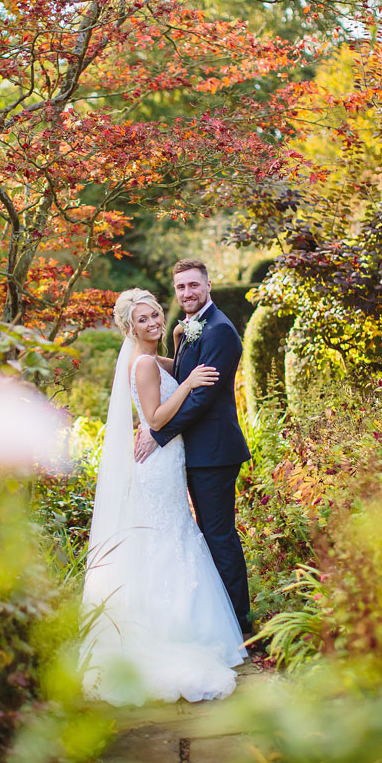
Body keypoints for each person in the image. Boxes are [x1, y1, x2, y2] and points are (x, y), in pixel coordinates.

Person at [79, 288, 246, 706]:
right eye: (143, 320)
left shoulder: (151, 358)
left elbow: (170, 370)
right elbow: (154, 417)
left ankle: (178, 623)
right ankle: (171, 631)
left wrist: (178, 347)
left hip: (168, 460)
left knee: (173, 534)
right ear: (129, 327)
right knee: (168, 536)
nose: (153, 322)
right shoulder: (142, 365)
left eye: (155, 314)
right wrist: (189, 382)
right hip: (159, 461)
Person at [134, 259, 255, 635]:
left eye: (193, 286)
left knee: (220, 537)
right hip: (198, 453)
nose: (187, 292)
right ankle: (223, 618)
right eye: (181, 287)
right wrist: (145, 359)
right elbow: (183, 375)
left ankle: (239, 624)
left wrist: (157, 434)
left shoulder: (218, 331)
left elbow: (201, 399)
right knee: (209, 534)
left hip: (215, 454)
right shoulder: (186, 329)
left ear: (207, 286)